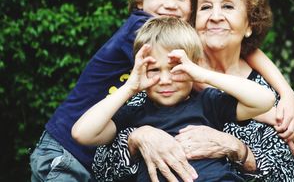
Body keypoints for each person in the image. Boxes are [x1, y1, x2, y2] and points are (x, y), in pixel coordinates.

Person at [93, 0, 294, 181]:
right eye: (205, 7)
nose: (215, 16)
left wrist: (238, 150)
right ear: (192, 21)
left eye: (228, 6)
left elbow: (285, 174)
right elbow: (100, 164)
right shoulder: (168, 72)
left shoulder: (266, 92)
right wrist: (138, 139)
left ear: (250, 24)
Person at [29, 0, 199, 182]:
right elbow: (197, 73)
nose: (171, 4)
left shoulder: (167, 34)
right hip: (65, 151)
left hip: (92, 157)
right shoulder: (141, 30)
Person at [72, 16, 276, 182]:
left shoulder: (207, 103)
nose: (165, 80)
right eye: (153, 70)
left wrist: (202, 75)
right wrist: (130, 87)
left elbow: (264, 100)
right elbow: (83, 133)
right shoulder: (134, 114)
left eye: (175, 69)